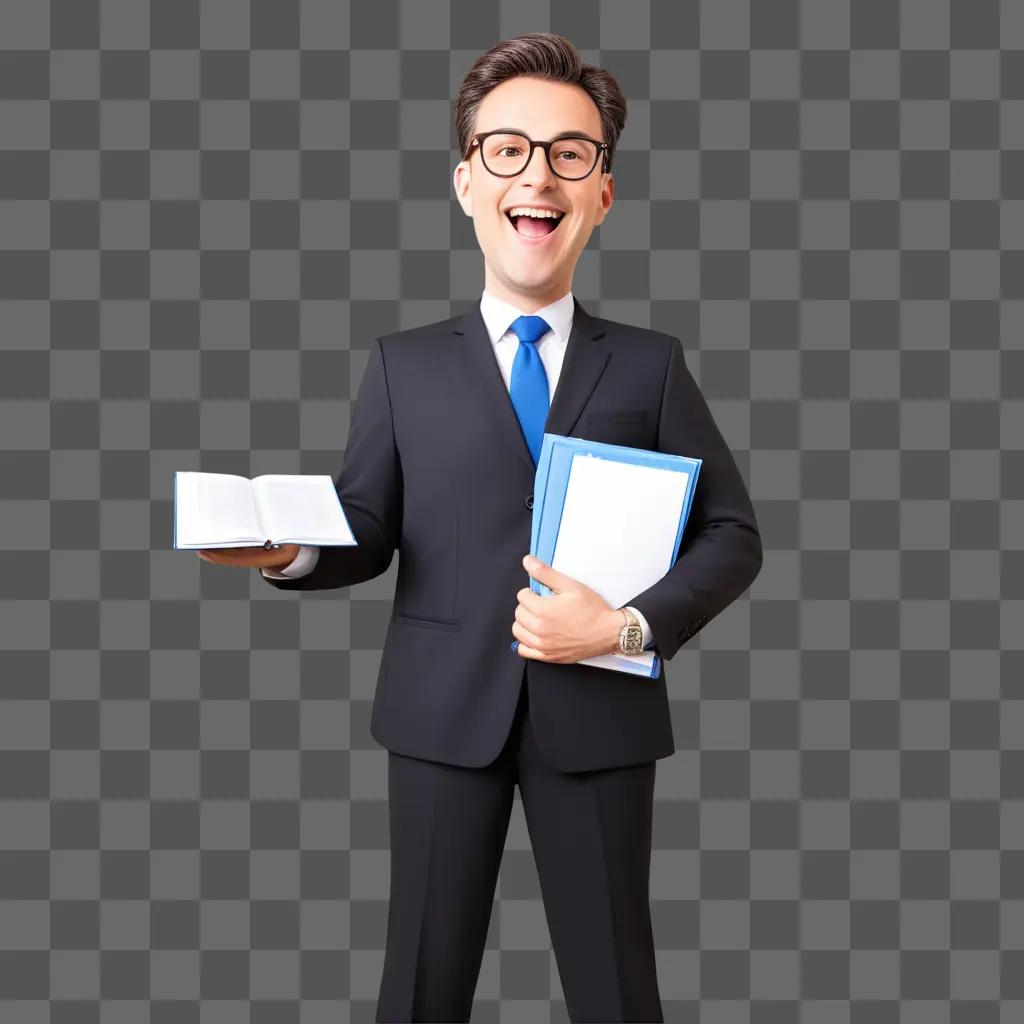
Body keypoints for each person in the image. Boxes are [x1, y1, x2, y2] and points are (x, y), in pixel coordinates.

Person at [197, 32, 762, 1023]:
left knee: (617, 985)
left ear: (601, 193)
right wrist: (285, 552)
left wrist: (624, 627)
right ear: (466, 183)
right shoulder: (401, 365)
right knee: (420, 979)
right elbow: (367, 526)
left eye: (569, 153)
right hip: (438, 713)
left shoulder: (651, 367)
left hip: (599, 717)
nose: (536, 174)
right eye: (506, 149)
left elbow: (732, 532)